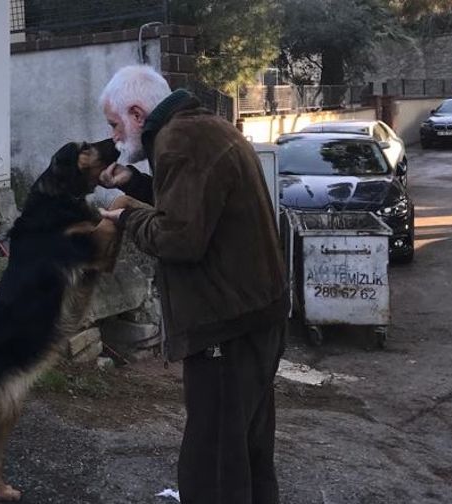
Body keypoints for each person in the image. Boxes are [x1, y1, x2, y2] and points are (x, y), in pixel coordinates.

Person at [97, 65, 289, 504]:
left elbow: (178, 237)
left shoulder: (180, 141)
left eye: (114, 124)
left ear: (137, 113)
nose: (113, 137)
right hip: (255, 317)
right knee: (247, 454)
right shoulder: (201, 129)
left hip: (227, 326)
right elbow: (193, 205)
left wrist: (128, 216)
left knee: (212, 465)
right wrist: (138, 184)